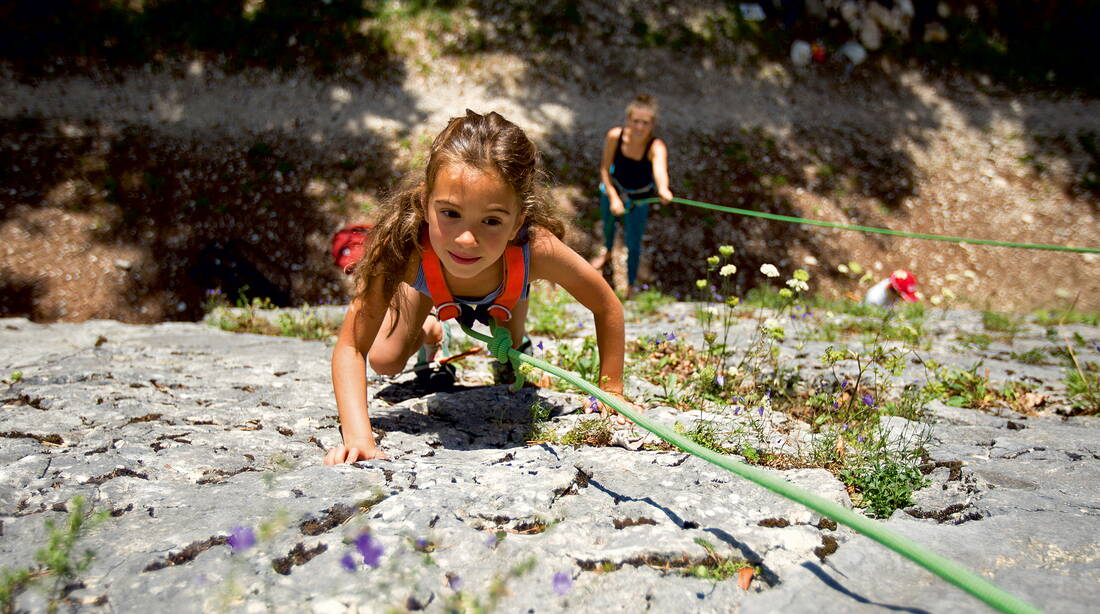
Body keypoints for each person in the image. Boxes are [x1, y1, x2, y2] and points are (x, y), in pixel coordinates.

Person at [324, 110, 629, 465]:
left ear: (518, 221)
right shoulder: (405, 252)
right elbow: (352, 346)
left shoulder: (538, 250)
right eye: (450, 213)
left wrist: (612, 391)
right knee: (386, 360)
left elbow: (607, 306)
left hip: (505, 289)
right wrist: (359, 437)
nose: (467, 239)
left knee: (509, 352)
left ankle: (509, 332)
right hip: (427, 288)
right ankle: (431, 331)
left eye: (492, 220)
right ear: (424, 203)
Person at [588, 94, 673, 297]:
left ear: (652, 125)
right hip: (613, 189)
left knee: (633, 241)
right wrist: (614, 197)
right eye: (635, 121)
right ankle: (607, 252)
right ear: (628, 120)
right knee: (608, 225)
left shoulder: (655, 146)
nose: (639, 127)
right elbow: (604, 170)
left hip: (639, 198)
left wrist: (664, 190)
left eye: (645, 123)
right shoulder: (615, 137)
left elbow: (661, 172)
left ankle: (631, 284)